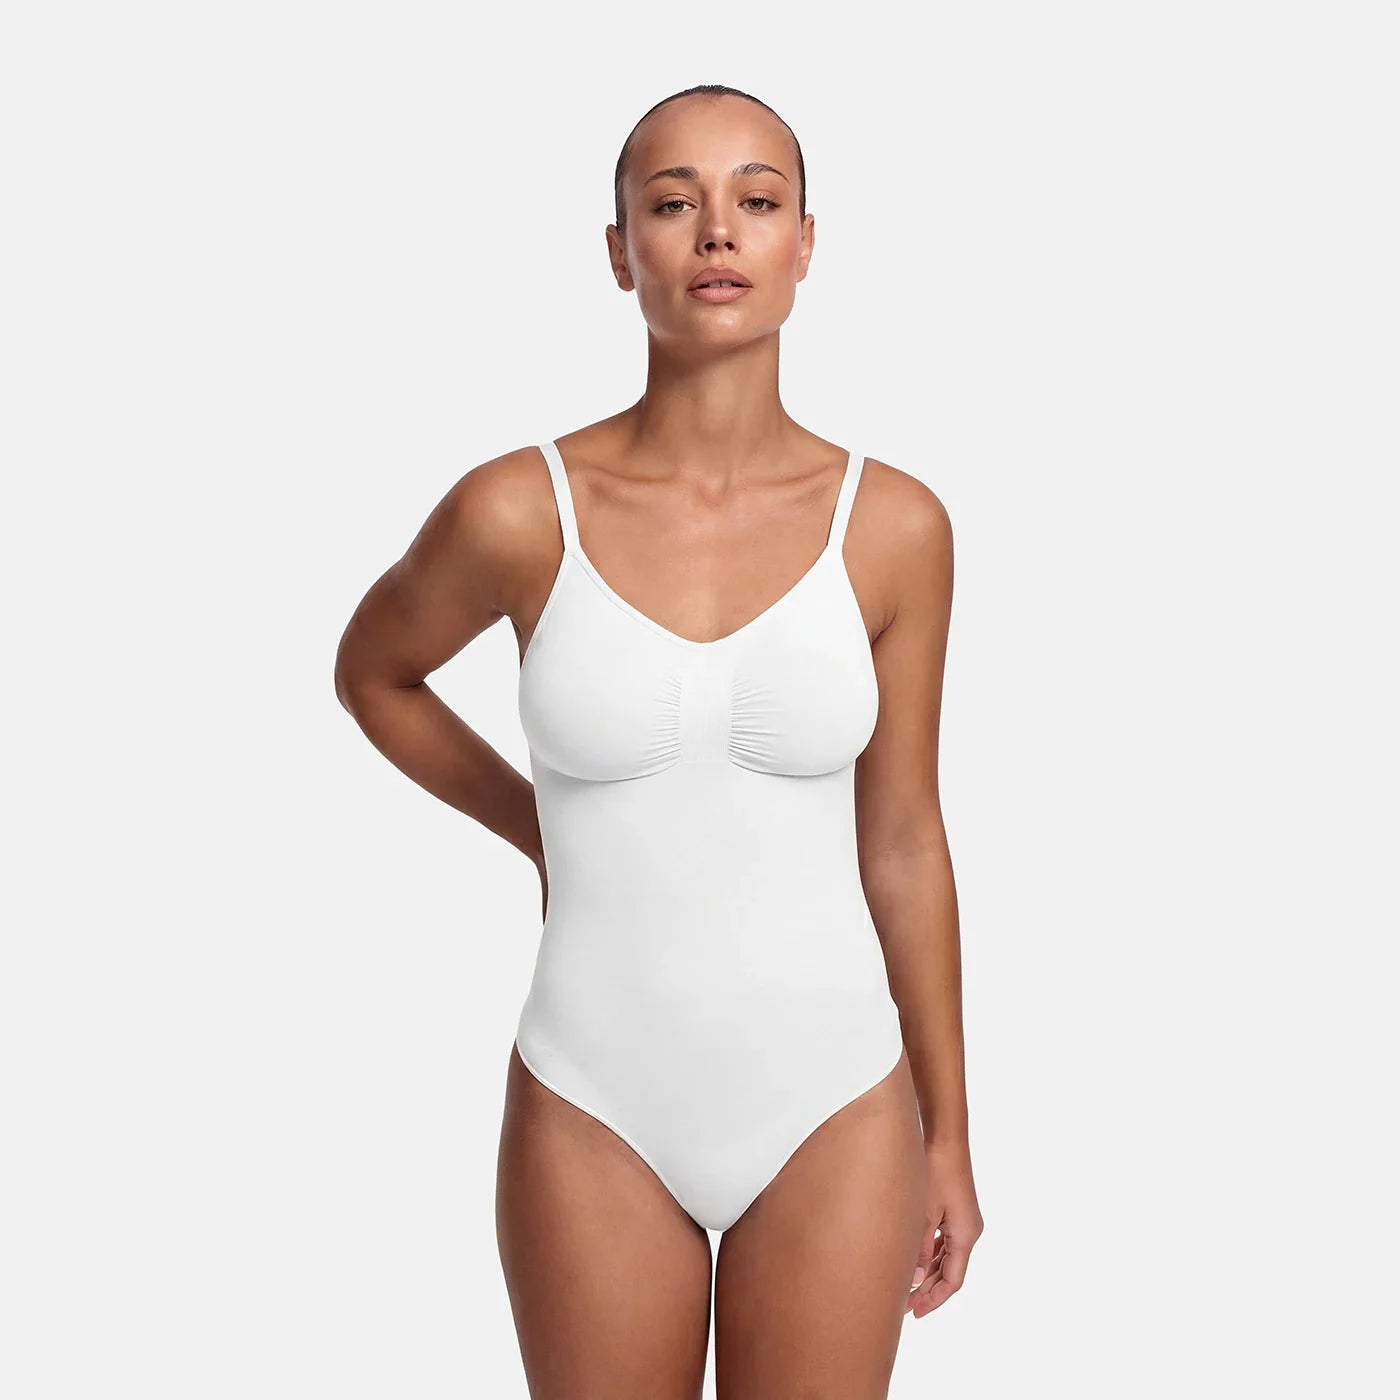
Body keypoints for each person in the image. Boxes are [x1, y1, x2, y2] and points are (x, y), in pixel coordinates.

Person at [334, 82, 982, 1400]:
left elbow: (906, 841)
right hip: (593, 1103)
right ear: (620, 251)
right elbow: (374, 674)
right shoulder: (520, 510)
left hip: (836, 1101)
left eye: (758, 200)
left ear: (806, 243)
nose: (717, 233)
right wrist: (536, 828)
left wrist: (951, 1135)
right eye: (674, 203)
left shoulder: (896, 526)